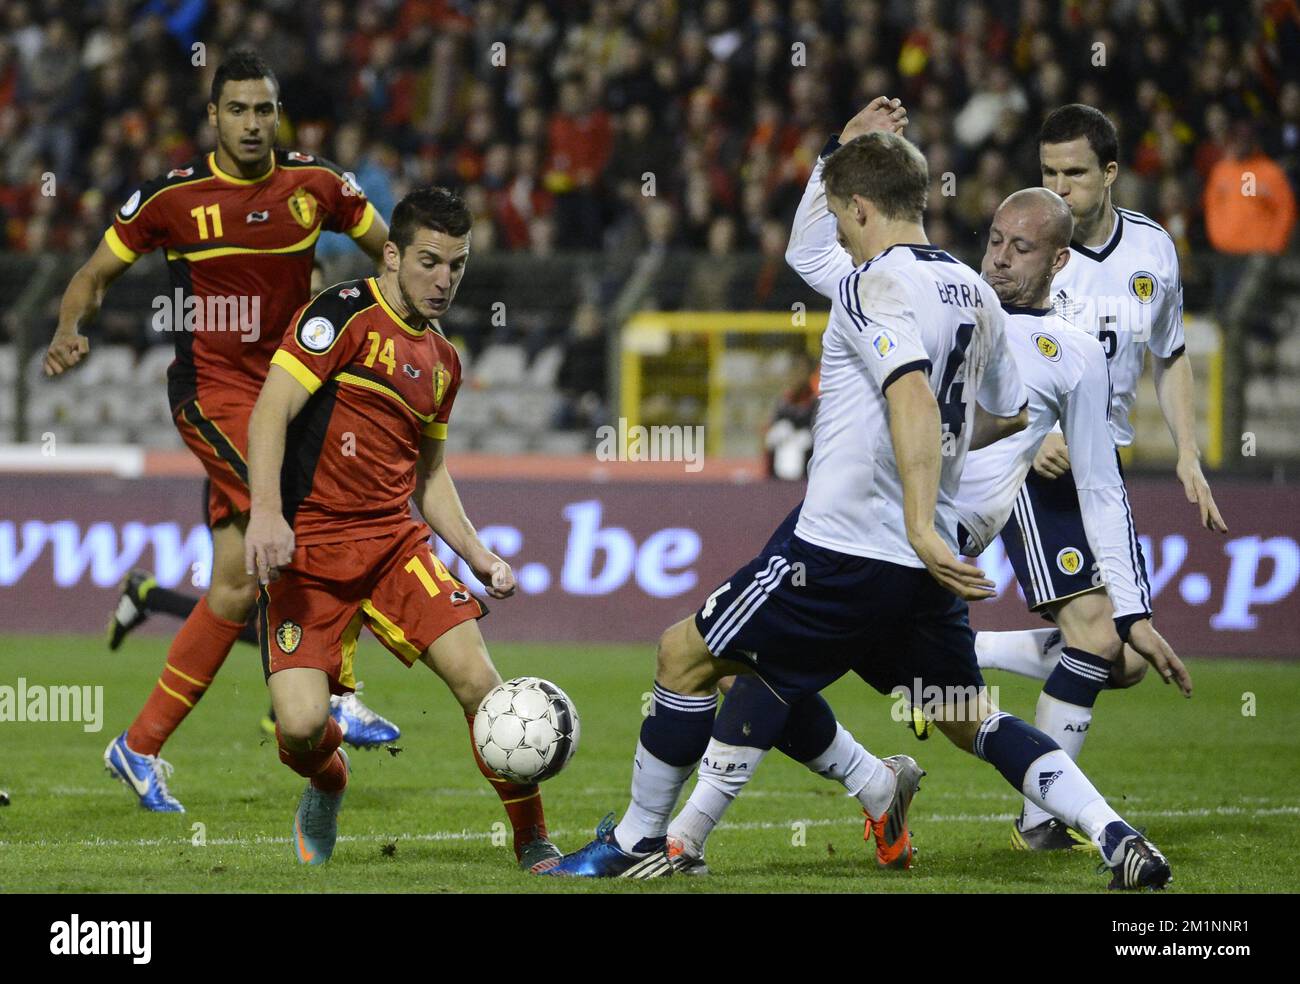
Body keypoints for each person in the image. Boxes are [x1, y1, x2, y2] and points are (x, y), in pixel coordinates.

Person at [546, 100, 1172, 889]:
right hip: (920, 576)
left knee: (682, 657)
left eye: (843, 212)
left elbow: (910, 393)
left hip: (840, 552)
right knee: (969, 719)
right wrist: (935, 487)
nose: (837, 229)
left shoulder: (869, 288)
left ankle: (641, 840)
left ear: (863, 209)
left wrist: (916, 518)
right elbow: (1001, 413)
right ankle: (1114, 834)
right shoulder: (970, 295)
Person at [693, 185, 1191, 873]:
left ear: (1060, 261)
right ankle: (1112, 833)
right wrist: (836, 158)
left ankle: (676, 843)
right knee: (971, 720)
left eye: (1022, 248)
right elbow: (811, 250)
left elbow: (1103, 490)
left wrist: (1133, 610)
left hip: (888, 543)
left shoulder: (1073, 354)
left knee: (740, 664)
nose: (1000, 260)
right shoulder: (945, 295)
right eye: (994, 241)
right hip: (908, 554)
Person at [43, 50, 398, 811]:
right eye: (237, 109)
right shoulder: (172, 198)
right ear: (213, 117)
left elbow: (390, 252)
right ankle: (336, 692)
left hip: (293, 390)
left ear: (278, 115)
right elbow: (93, 275)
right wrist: (70, 327)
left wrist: (395, 317)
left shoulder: (318, 186)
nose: (251, 123)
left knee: (236, 585)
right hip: (217, 394)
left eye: (264, 109)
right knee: (307, 509)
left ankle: (137, 747)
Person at [242, 186, 560, 872]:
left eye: (458, 265)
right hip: (309, 551)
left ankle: (533, 839)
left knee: (484, 686)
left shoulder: (443, 362)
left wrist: (477, 554)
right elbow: (269, 412)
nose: (444, 280)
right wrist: (265, 513)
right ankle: (328, 779)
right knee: (299, 729)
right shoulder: (341, 316)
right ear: (390, 255)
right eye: (429, 261)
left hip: (393, 546)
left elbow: (430, 476)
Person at [972, 105, 1227, 840]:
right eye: (1048, 172)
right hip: (1031, 462)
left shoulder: (1151, 252)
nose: (1059, 188)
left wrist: (1187, 450)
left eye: (1074, 174)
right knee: (1095, 634)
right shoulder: (1025, 253)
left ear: (1110, 173)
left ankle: (963, 650)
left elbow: (1170, 353)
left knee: (1122, 662)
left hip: (1097, 465)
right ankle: (1039, 817)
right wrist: (1025, 428)